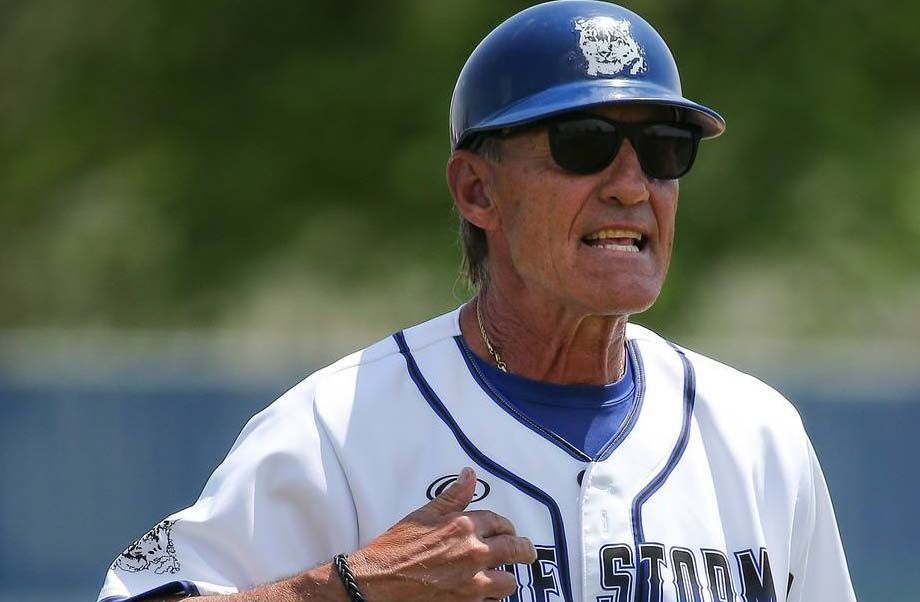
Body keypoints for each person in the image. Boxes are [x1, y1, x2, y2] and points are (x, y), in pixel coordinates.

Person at [97, 2, 856, 601]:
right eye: (583, 143)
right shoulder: (338, 428)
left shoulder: (759, 439)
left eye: (664, 148)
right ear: (477, 190)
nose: (632, 184)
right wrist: (342, 592)